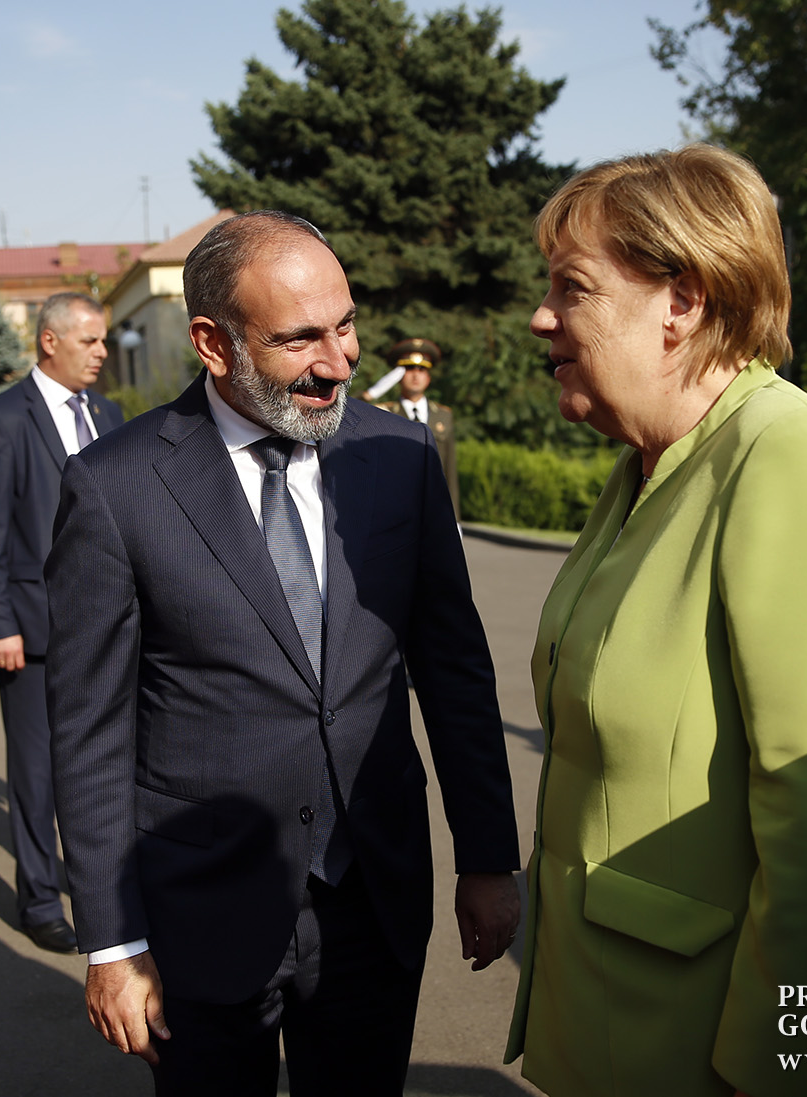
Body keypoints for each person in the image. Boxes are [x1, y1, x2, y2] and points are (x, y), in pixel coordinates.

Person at [44, 210, 520, 1095]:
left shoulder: (400, 455)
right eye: (300, 338)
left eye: (346, 325)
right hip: (200, 909)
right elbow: (89, 732)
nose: (338, 361)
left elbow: (454, 669)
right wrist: (112, 941)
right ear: (213, 344)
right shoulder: (115, 487)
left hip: (372, 897)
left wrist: (488, 855)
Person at [505, 146, 807, 1096]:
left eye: (573, 287)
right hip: (626, 1016)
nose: (541, 315)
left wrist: (770, 1072)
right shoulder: (648, 466)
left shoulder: (790, 455)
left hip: (725, 1050)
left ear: (684, 301)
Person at [0, 292, 124, 953]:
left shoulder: (108, 414)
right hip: (31, 631)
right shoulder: (3, 418)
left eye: (104, 340)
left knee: (106, 763)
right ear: (50, 341)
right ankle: (37, 898)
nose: (102, 352)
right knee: (36, 773)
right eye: (90, 341)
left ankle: (104, 889)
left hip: (108, 625)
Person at [374, 338, 460, 517]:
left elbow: (450, 472)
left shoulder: (443, 416)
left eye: (421, 370)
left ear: (428, 378)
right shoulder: (382, 414)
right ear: (397, 376)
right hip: (394, 511)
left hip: (434, 511)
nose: (415, 375)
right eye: (408, 369)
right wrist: (371, 393)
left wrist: (455, 519)